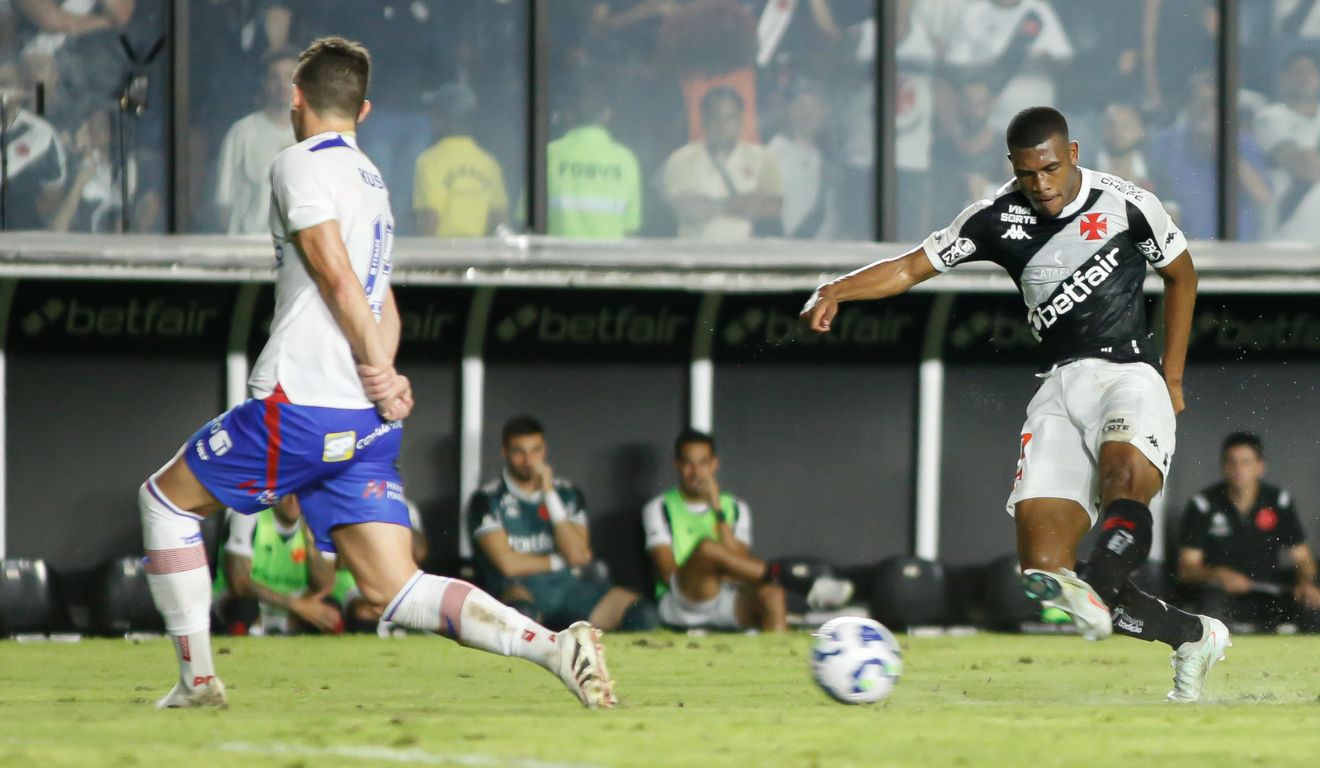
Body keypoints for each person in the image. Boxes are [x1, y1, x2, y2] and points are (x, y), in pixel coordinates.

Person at [135, 37, 615, 710]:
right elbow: (381, 296)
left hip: (299, 402)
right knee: (397, 587)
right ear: (364, 109)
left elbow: (334, 272)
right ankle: (554, 646)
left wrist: (374, 366)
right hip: (362, 420)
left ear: (295, 99)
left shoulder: (296, 163)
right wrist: (384, 376)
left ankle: (199, 683)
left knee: (164, 502)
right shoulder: (373, 181)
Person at [800, 106, 1227, 703]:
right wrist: (834, 289)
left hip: (1130, 374)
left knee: (1123, 480)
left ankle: (1104, 579)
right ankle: (1193, 636)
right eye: (1029, 175)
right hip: (1059, 385)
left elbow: (1183, 277)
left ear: (1073, 153)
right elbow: (910, 266)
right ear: (1013, 169)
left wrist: (1174, 377)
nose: (1043, 186)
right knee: (1046, 573)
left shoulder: (1129, 203)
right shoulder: (995, 217)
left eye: (1051, 169)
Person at [641, 428, 853, 632]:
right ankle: (799, 584)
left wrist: (717, 509)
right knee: (706, 548)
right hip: (683, 601)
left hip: (725, 597)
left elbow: (739, 562)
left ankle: (779, 663)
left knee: (773, 595)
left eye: (703, 463)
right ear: (677, 464)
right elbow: (668, 573)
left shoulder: (734, 507)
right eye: (688, 464)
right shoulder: (659, 508)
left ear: (714, 465)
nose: (696, 473)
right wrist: (709, 567)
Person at [466, 416, 657, 633]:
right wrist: (559, 561)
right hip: (518, 588)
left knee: (642, 614)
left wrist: (549, 494)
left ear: (544, 450)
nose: (529, 460)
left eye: (535, 450)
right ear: (504, 452)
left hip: (568, 589)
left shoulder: (566, 494)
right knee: (521, 614)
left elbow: (576, 555)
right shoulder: (487, 499)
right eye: (519, 451)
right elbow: (507, 565)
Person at [1177, 433, 1320, 632]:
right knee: (1210, 611)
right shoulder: (1204, 504)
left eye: (1246, 462)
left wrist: (1305, 582)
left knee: (1312, 603)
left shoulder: (1278, 501)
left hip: (1269, 593)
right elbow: (1187, 569)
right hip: (1221, 595)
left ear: (1260, 467)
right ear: (1223, 466)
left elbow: (1303, 557)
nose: (1239, 469)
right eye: (1232, 462)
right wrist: (1218, 575)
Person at [212, 495, 346, 636]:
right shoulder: (249, 512)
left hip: (295, 602)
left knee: (330, 607)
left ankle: (284, 631)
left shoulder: (317, 517)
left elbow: (324, 584)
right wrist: (297, 605)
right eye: (288, 492)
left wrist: (309, 536)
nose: (293, 500)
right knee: (242, 606)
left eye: (300, 492)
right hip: (255, 599)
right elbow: (240, 583)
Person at [662, 86, 782, 240]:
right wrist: (742, 204)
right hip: (695, 256)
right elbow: (688, 209)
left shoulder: (764, 158)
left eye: (730, 118)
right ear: (703, 120)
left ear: (740, 120)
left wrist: (710, 205)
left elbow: (773, 208)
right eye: (715, 118)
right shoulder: (681, 159)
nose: (722, 125)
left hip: (748, 257)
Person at [213, 46, 297, 234]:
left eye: (289, 77)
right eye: (275, 77)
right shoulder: (242, 132)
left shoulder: (312, 135)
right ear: (265, 82)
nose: (282, 84)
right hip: (249, 247)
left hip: (295, 253)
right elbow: (223, 203)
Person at [545, 79, 642, 239]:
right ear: (607, 115)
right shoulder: (626, 160)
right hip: (608, 262)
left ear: (568, 115)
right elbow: (630, 226)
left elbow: (526, 216)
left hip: (557, 262)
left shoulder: (550, 154)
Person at [412, 82, 509, 238]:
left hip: (442, 256)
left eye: (434, 112)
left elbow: (430, 218)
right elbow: (500, 218)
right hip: (479, 255)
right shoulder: (488, 162)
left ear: (439, 118)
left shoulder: (429, 161)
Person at [1255, 50, 1320, 242]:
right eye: (1298, 72)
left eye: (1311, 72)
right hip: (1285, 234)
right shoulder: (1270, 117)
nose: (1305, 78)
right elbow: (1306, 167)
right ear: (1283, 79)